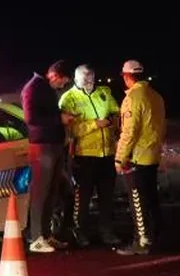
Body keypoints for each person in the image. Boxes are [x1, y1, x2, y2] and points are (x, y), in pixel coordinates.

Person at [58, 64, 122, 247]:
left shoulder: (104, 93)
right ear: (76, 79)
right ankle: (79, 232)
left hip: (107, 153)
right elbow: (69, 130)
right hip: (84, 155)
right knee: (82, 197)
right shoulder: (68, 99)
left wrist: (115, 122)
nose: (88, 82)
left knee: (107, 196)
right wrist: (94, 124)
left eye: (91, 78)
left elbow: (116, 113)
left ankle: (107, 231)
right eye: (84, 79)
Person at [114, 59, 167, 255]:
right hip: (152, 155)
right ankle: (156, 237)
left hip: (137, 157)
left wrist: (120, 158)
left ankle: (142, 241)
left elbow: (129, 132)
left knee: (138, 200)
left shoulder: (133, 98)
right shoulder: (156, 96)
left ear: (128, 77)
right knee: (151, 198)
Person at [21, 60, 73, 253]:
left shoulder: (46, 88)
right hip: (42, 146)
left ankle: (46, 235)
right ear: (54, 75)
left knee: (52, 192)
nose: (63, 86)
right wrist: (58, 119)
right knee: (40, 193)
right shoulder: (32, 88)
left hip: (55, 145)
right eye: (62, 82)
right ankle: (36, 237)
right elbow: (31, 118)